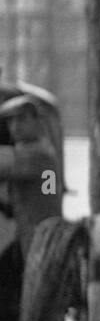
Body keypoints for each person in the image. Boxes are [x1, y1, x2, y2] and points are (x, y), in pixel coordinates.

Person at [0, 94, 61, 255]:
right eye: (10, 121)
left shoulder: (38, 155)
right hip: (33, 233)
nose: (15, 126)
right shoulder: (37, 149)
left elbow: (7, 163)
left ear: (37, 122)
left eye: (22, 120)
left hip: (39, 238)